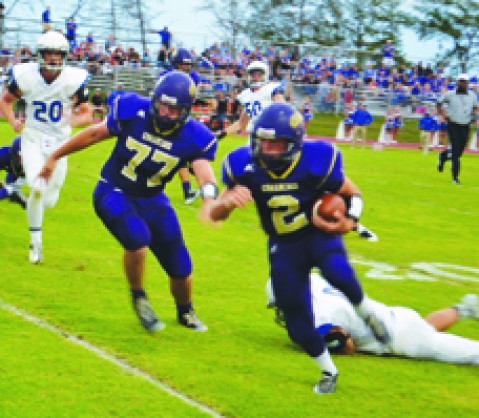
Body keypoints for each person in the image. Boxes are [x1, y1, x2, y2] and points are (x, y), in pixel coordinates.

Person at [209, 103, 390, 394]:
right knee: (296, 322)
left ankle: (368, 312)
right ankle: (328, 370)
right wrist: (225, 204)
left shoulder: (317, 159)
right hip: (283, 244)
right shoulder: (241, 166)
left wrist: (351, 218)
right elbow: (215, 216)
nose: (267, 150)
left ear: (294, 144)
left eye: (276, 144)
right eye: (262, 142)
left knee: (338, 272)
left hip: (318, 234)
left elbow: (352, 192)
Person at [38, 71, 218, 333]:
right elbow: (93, 135)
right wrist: (55, 157)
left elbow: (203, 171)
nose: (167, 114)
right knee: (138, 240)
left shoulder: (195, 136)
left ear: (186, 111)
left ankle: (185, 311)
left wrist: (209, 198)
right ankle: (139, 296)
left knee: (180, 265)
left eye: (174, 110)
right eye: (163, 107)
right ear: (154, 101)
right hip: (113, 190)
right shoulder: (133, 111)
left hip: (153, 198)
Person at [0, 31, 92, 264]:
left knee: (48, 200)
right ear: (40, 54)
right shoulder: (26, 76)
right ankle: (36, 243)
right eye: (48, 53)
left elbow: (87, 115)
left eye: (57, 53)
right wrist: (14, 122)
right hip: (32, 137)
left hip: (61, 143)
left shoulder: (72, 79)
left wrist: (73, 120)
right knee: (37, 185)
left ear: (64, 56)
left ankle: (13, 192)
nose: (52, 58)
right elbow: (6, 100)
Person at [267, 272, 479, 365]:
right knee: (427, 328)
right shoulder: (312, 281)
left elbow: (345, 345)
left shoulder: (320, 317)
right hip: (395, 316)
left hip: (400, 339)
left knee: (471, 354)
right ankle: (464, 308)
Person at [158, 48, 202, 204]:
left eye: (187, 65)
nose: (185, 68)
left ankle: (194, 186)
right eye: (182, 64)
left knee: (192, 153)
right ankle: (189, 189)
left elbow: (195, 93)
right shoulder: (165, 76)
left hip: (184, 117)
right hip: (168, 117)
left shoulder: (192, 77)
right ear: (175, 64)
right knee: (180, 153)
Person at [219, 60, 284, 140]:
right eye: (253, 75)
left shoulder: (271, 89)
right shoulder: (245, 95)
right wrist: (223, 133)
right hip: (254, 136)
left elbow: (283, 109)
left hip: (271, 135)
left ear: (265, 76)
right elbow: (241, 123)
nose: (256, 78)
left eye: (259, 75)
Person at [437, 73, 477, 184]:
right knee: (455, 152)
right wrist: (442, 114)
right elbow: (439, 102)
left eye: (464, 81)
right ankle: (455, 178)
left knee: (460, 151)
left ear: (467, 83)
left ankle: (443, 156)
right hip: (453, 124)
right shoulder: (450, 94)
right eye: (461, 81)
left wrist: (474, 115)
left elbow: (475, 107)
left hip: (466, 125)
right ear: (457, 82)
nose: (462, 83)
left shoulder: (472, 95)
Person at [0, 136, 27, 209]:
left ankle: (18, 198)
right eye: (20, 157)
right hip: (10, 166)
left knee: (11, 188)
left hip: (15, 175)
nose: (22, 160)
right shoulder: (3, 155)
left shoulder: (31, 166)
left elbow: (12, 187)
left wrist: (6, 191)